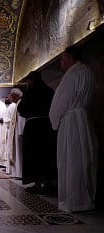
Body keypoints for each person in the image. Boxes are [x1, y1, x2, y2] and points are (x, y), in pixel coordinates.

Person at [49, 46, 97, 212]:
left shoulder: (71, 74)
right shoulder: (89, 73)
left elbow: (61, 101)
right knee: (85, 158)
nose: (61, 63)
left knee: (71, 159)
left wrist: (54, 120)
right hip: (84, 118)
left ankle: (74, 201)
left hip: (70, 121)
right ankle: (87, 198)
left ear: (70, 58)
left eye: (62, 59)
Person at [18, 71, 57, 194]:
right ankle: (49, 183)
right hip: (47, 125)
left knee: (34, 154)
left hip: (33, 126)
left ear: (31, 80)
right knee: (47, 153)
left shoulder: (30, 91)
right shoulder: (49, 90)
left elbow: (21, 109)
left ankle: (37, 184)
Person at [5, 88, 25, 178]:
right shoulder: (16, 104)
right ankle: (16, 172)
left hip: (18, 132)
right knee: (15, 152)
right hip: (15, 131)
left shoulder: (20, 103)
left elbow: (21, 118)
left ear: (16, 95)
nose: (10, 97)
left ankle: (19, 173)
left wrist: (21, 131)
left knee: (18, 152)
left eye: (12, 95)